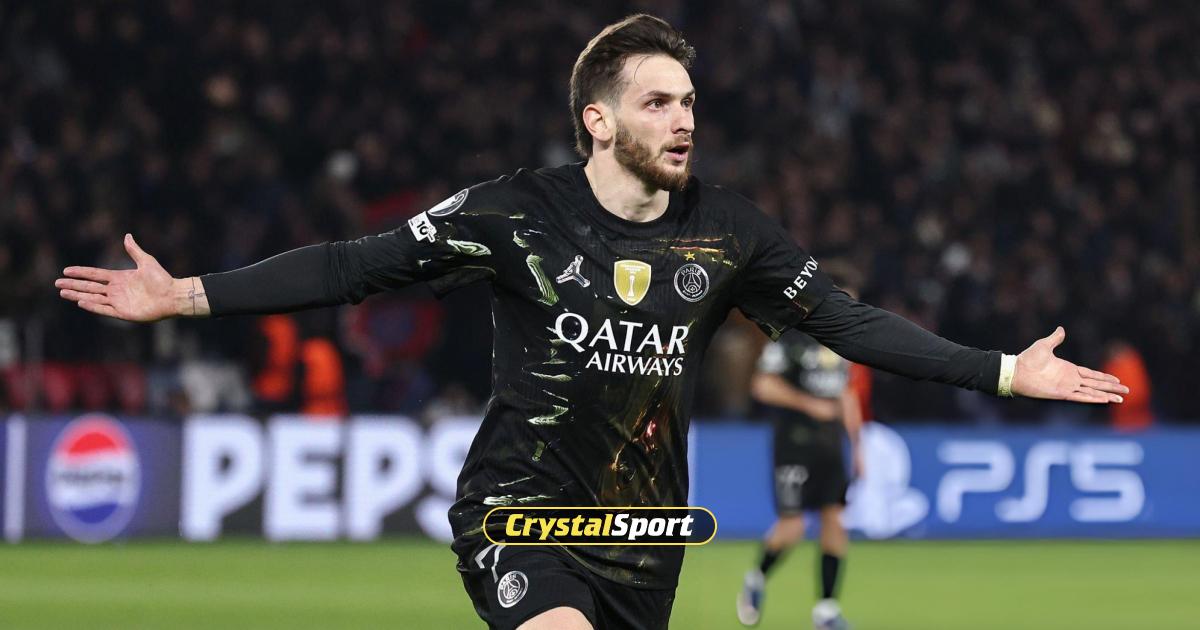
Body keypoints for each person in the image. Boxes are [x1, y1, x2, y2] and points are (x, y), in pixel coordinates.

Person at [55, 14, 1128, 630]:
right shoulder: (513, 214)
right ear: (598, 120)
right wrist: (187, 294)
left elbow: (846, 323)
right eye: (660, 102)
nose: (685, 119)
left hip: (642, 540)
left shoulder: (730, 234)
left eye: (691, 103)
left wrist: (999, 370)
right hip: (517, 515)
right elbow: (352, 267)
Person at [736, 299, 863, 628]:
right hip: (794, 447)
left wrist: (858, 447)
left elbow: (846, 395)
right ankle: (757, 577)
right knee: (794, 526)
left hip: (831, 448)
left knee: (835, 521)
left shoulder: (839, 343)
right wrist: (809, 404)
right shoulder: (790, 340)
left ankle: (827, 610)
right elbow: (762, 386)